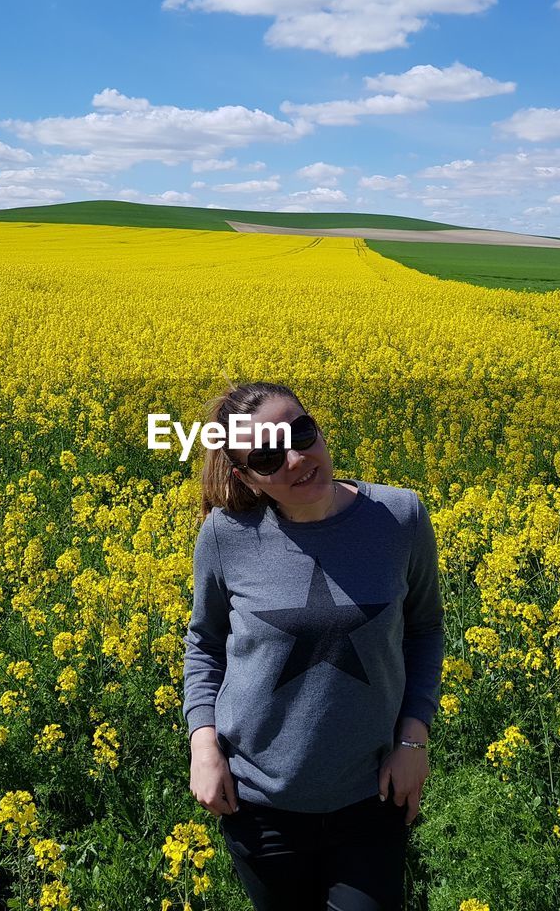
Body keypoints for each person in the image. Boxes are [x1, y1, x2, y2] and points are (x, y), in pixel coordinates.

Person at [182, 381, 445, 911]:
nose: (297, 458)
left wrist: (414, 738)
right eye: (268, 455)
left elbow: (425, 629)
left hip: (371, 796)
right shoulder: (225, 535)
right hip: (258, 804)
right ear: (245, 477)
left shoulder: (400, 517)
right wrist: (203, 745)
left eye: (302, 432)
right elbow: (205, 644)